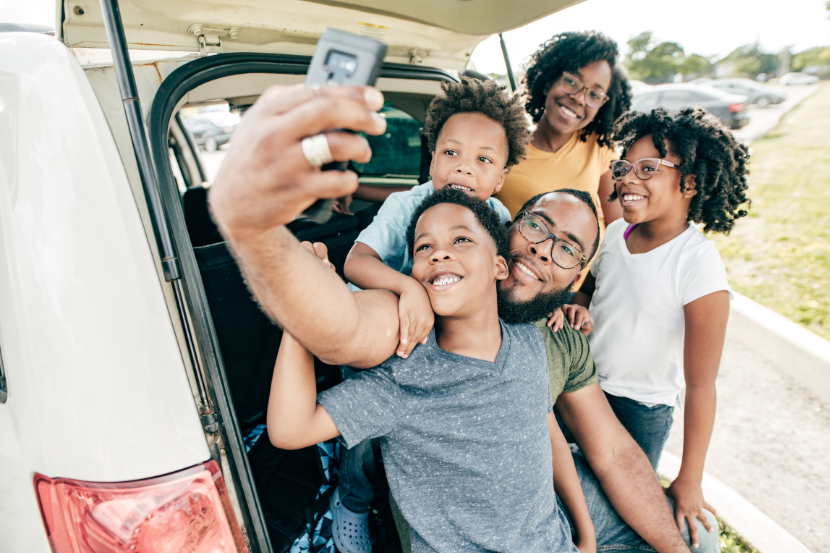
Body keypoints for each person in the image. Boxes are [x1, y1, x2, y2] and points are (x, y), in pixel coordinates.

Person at [207, 83, 718, 552]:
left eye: (567, 250)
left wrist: (587, 533)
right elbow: (350, 330)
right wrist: (268, 242)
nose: (542, 251)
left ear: (580, 273)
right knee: (358, 458)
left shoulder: (546, 338)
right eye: (537, 227)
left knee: (700, 541)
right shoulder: (423, 322)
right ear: (506, 240)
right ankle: (354, 499)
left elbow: (591, 446)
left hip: (545, 519)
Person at [269, 189, 596, 553]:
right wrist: (297, 318)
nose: (440, 252)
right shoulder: (404, 379)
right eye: (424, 248)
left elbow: (542, 429)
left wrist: (586, 536)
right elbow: (289, 429)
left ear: (499, 266)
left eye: (461, 239)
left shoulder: (529, 343)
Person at [334, 77, 531, 552]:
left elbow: (508, 279)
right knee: (362, 435)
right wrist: (407, 288)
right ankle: (353, 500)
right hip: (382, 334)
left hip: (441, 346)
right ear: (433, 156)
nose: (464, 169)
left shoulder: (498, 216)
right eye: (452, 153)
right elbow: (355, 263)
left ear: (500, 177)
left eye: (483, 160)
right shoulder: (406, 205)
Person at [563, 107, 750, 543]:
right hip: (582, 390)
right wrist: (577, 307)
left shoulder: (697, 264)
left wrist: (690, 477)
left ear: (690, 182)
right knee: (574, 500)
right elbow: (589, 290)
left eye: (647, 168)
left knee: (625, 510)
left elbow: (701, 386)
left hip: (639, 411)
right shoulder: (613, 237)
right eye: (623, 167)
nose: (626, 179)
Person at [494, 31, 632, 226]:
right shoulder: (502, 148)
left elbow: (619, 226)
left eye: (594, 94)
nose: (578, 97)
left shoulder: (599, 147)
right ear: (548, 80)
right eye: (571, 81)